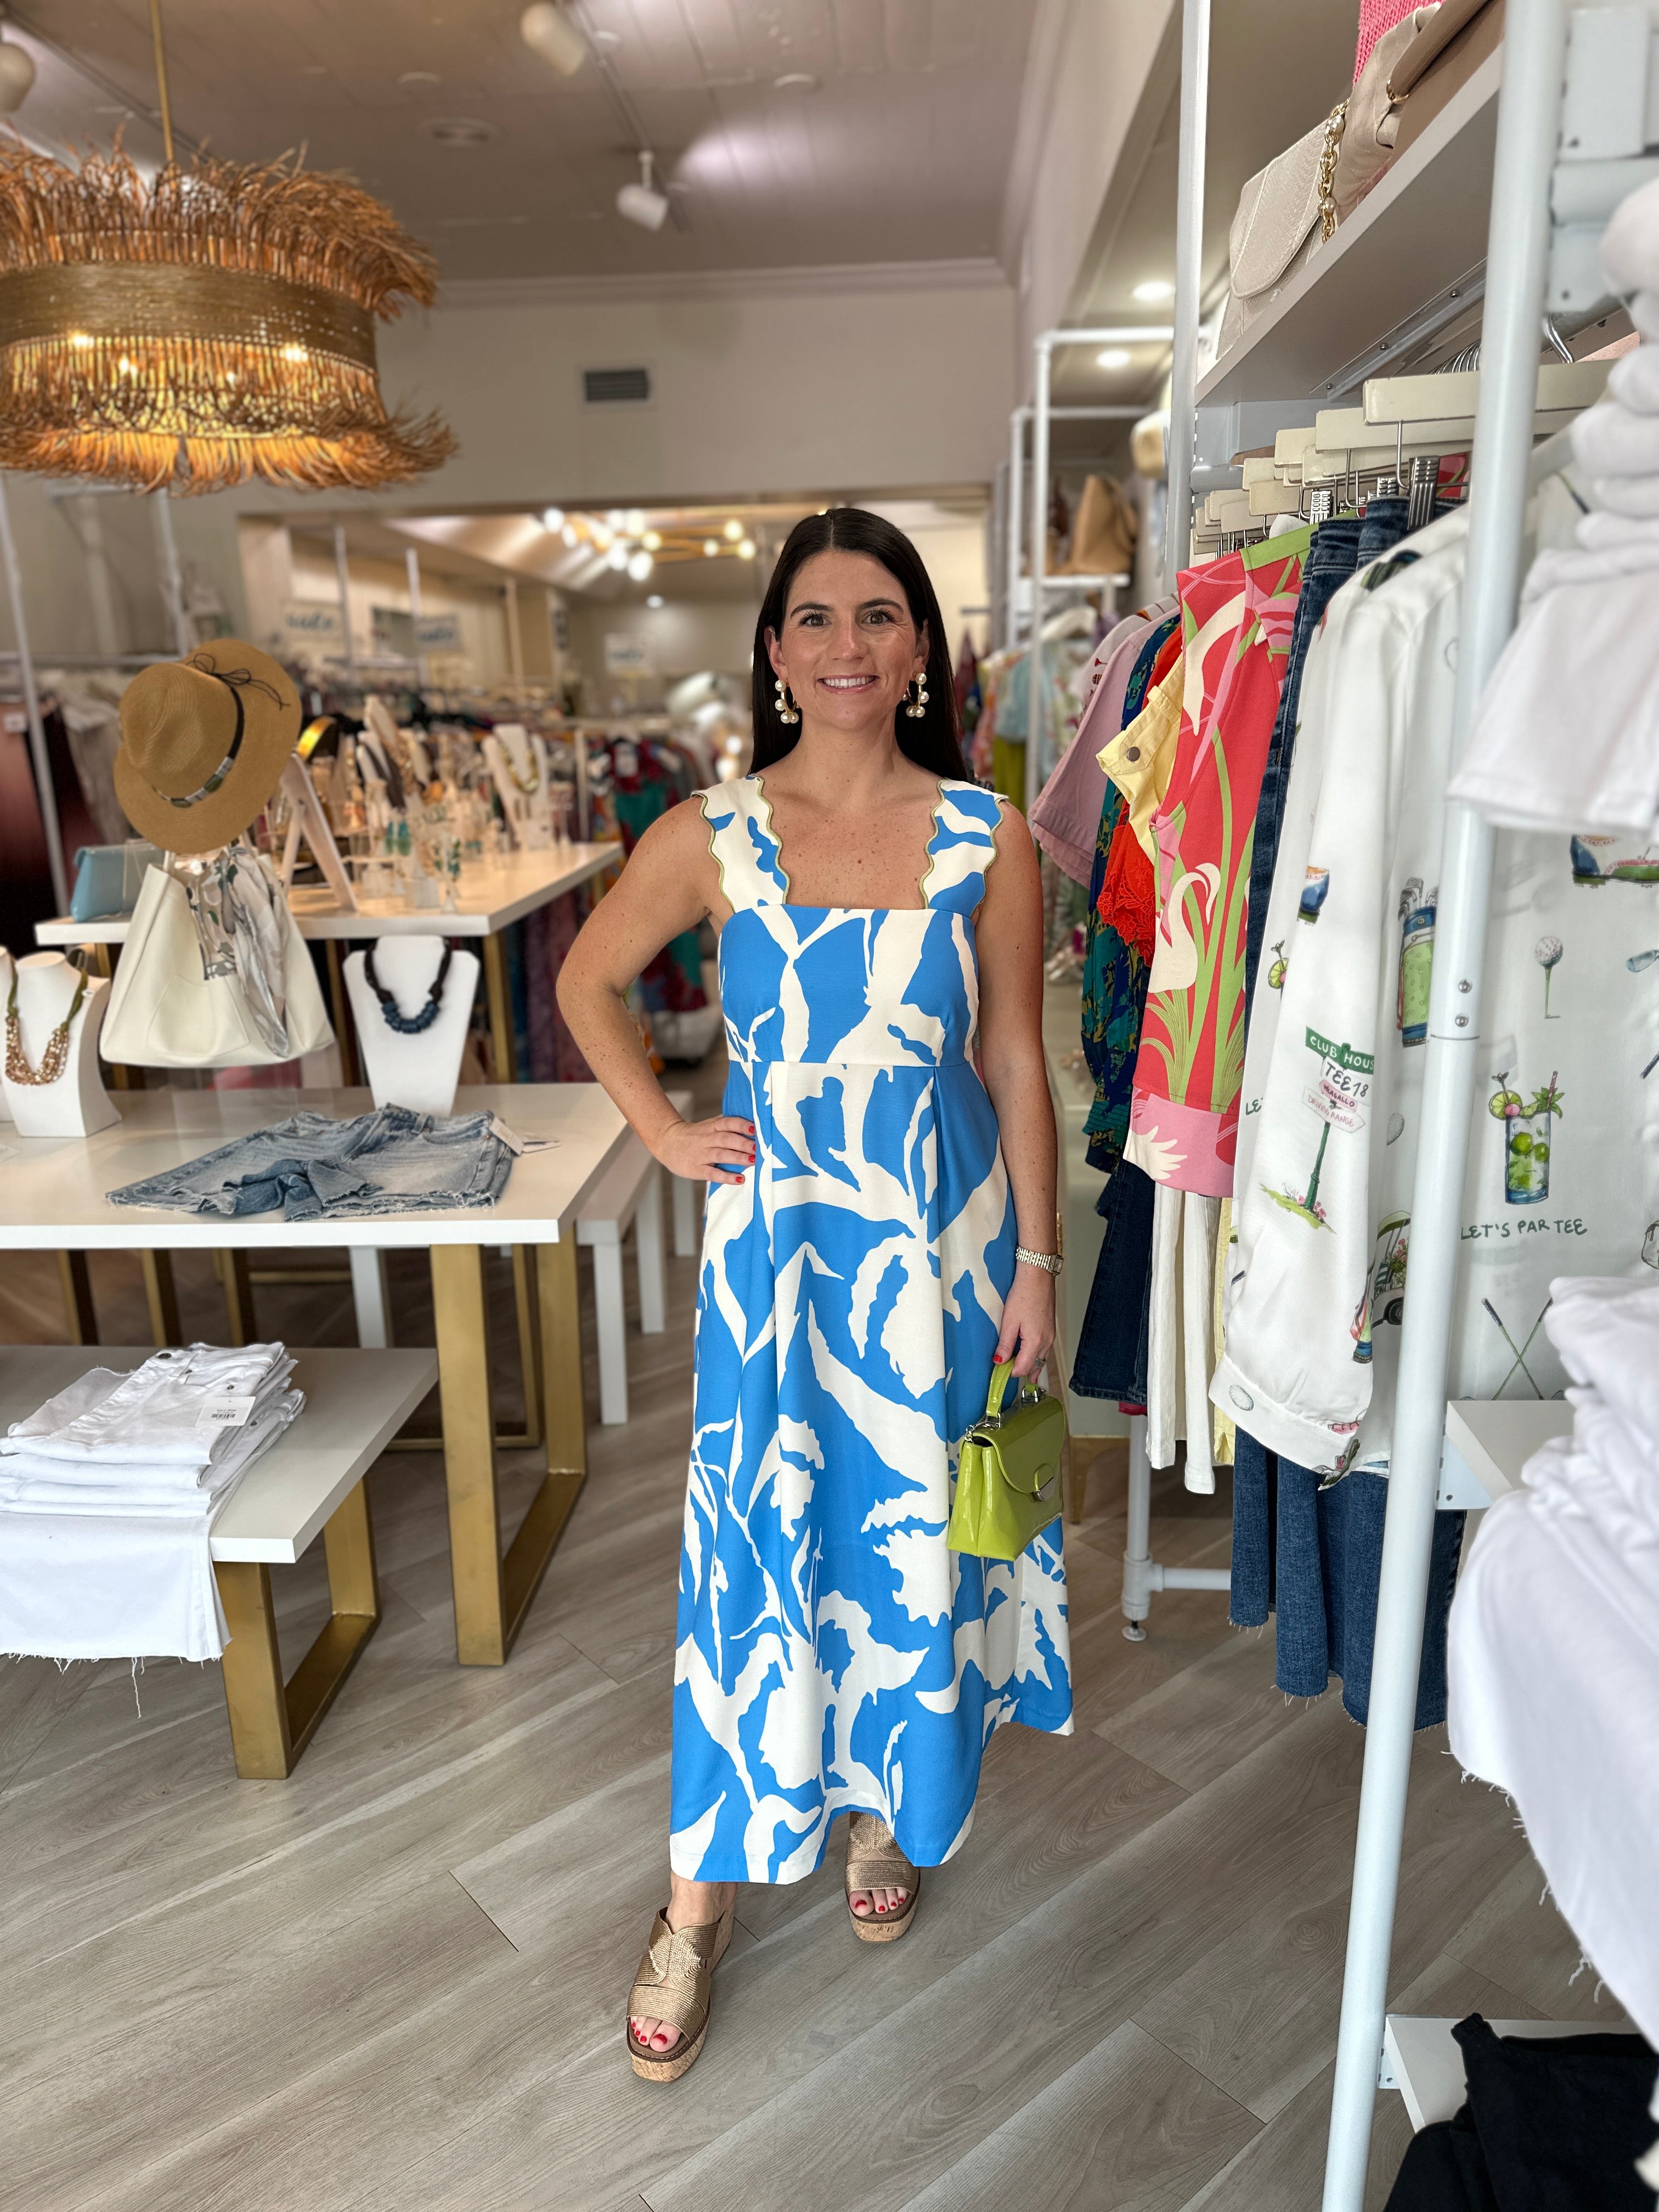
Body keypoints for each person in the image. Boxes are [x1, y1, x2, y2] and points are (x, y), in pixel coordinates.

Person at [557, 506, 1073, 2084]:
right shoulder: (712, 833)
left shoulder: (986, 834)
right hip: (776, 1258)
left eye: (879, 616)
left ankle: (882, 1810)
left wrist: (1038, 1259)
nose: (848, 646)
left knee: (902, 1536)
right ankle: (695, 1904)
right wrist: (664, 1131)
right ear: (775, 652)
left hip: (940, 1254)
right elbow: (588, 981)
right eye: (816, 620)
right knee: (752, 1552)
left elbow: (1013, 1057)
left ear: (920, 647)